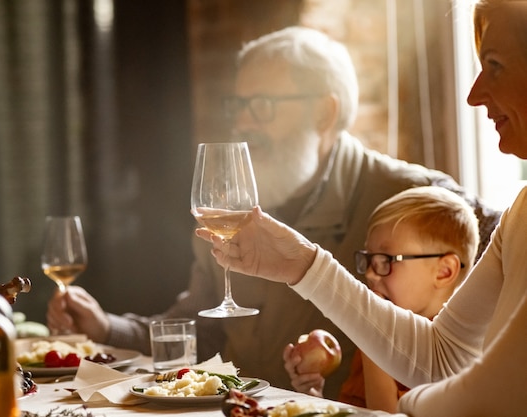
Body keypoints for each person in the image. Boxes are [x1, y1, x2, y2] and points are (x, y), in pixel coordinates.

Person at [47, 26, 500, 398]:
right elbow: (202, 328)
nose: (243, 123)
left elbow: (502, 247)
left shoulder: (408, 195)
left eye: (261, 106)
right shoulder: (239, 204)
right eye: (240, 105)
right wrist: (107, 326)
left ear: (324, 115)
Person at [195, 2, 527, 414]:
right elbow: (441, 357)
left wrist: (384, 408)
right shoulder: (522, 208)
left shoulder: (419, 190)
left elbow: (489, 397)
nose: (474, 94)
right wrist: (303, 264)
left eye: (494, 65)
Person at [283, 186, 480, 413]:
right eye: (369, 258)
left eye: (386, 260)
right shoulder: (381, 322)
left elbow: (388, 413)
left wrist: (370, 333)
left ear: (444, 271)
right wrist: (314, 396)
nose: (370, 273)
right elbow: (357, 410)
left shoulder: (451, 355)